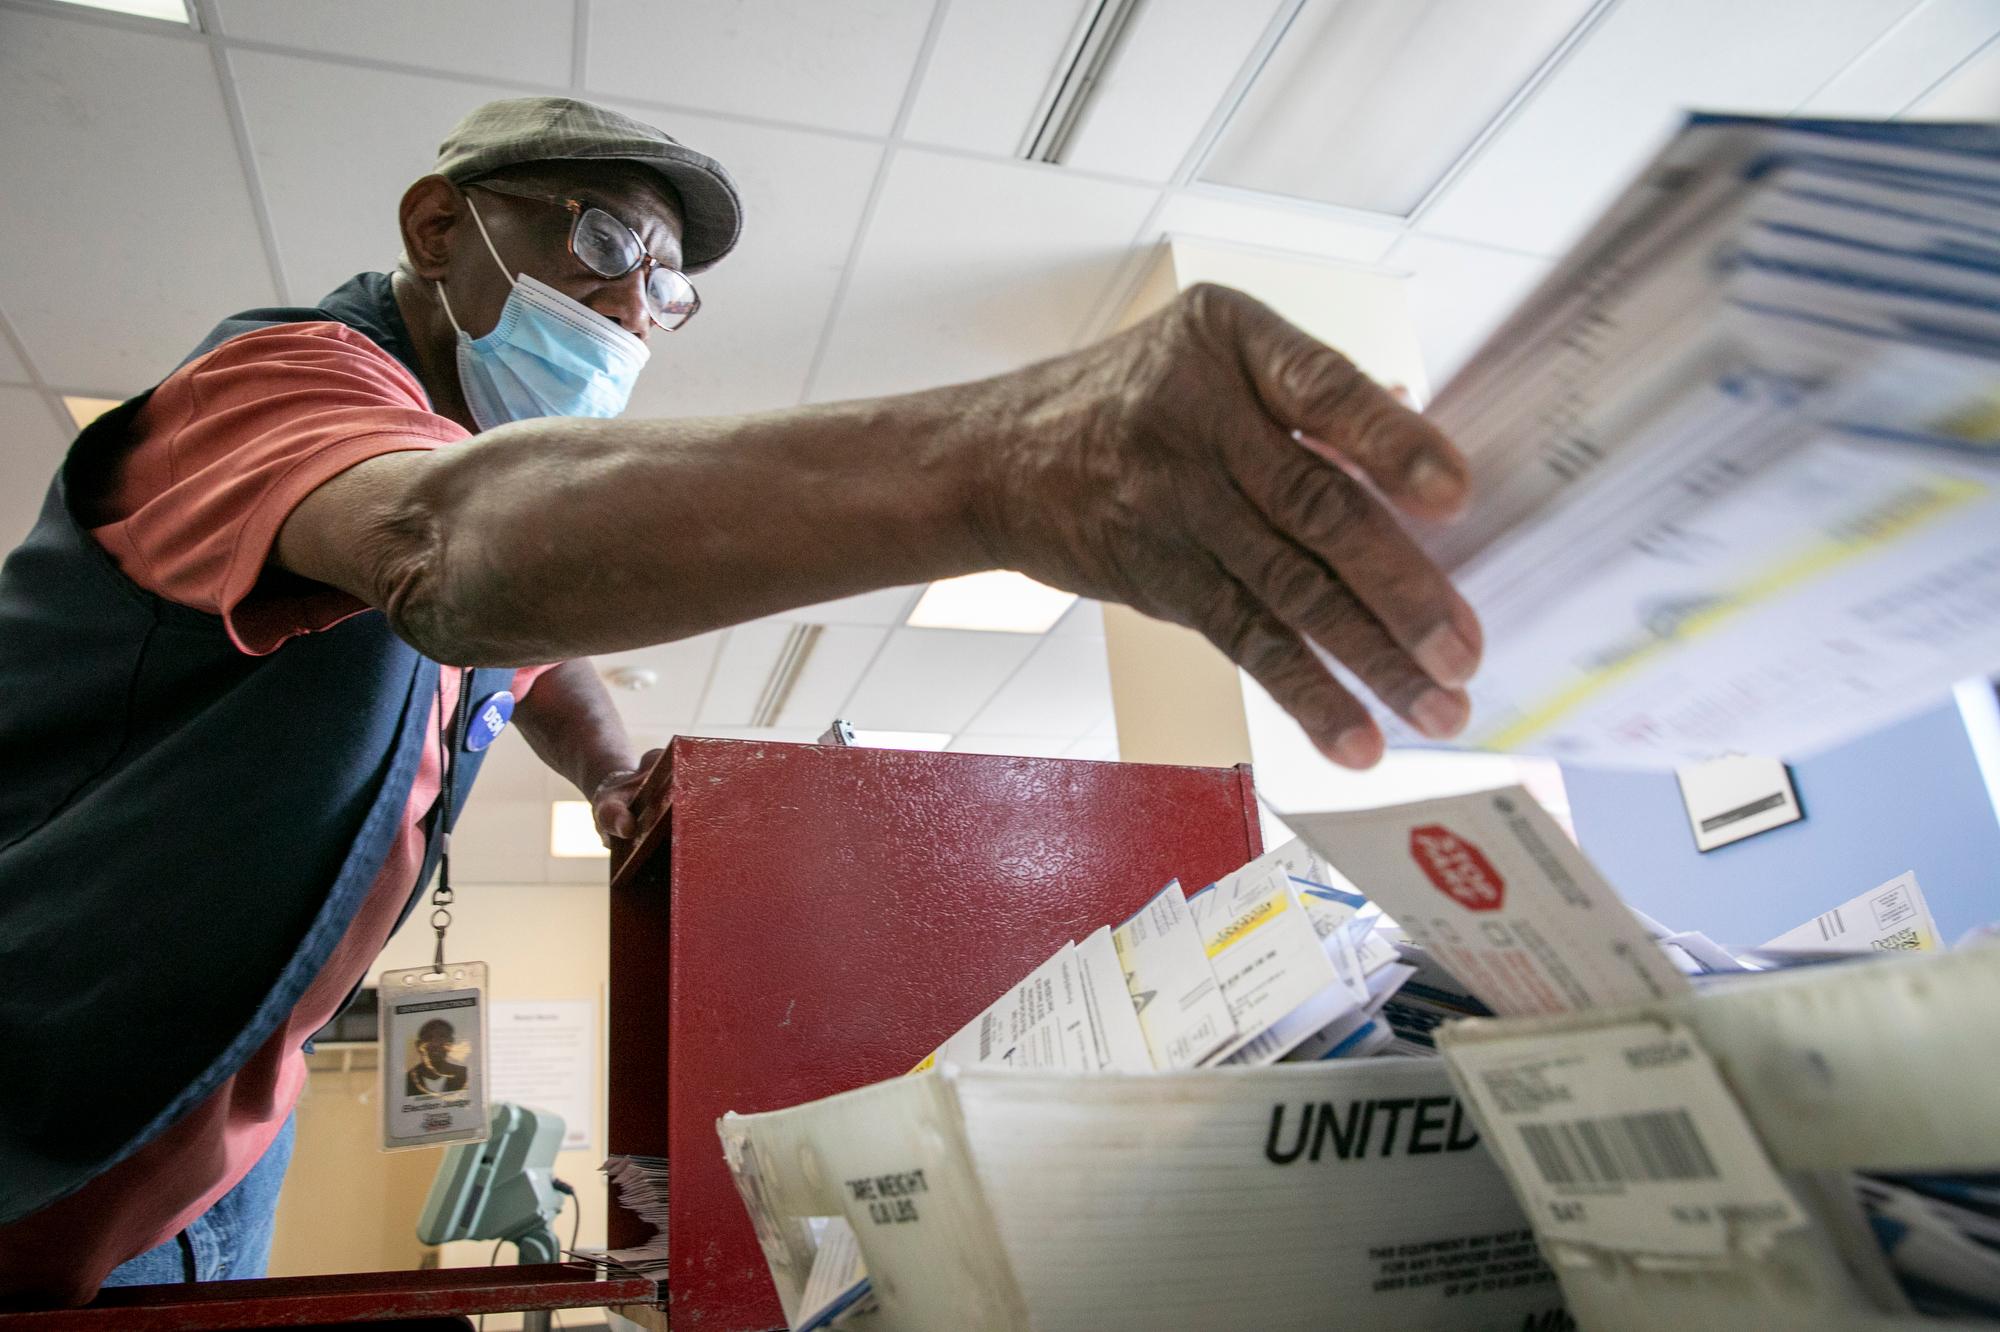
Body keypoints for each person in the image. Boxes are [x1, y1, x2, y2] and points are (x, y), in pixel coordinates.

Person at [0, 96, 1480, 1303]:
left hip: (198, 1139)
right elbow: (446, 550)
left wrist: (612, 766)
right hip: (39, 1117)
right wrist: (1003, 460)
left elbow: (524, 642)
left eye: (666, 286)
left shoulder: (459, 443)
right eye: (598, 243)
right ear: (437, 227)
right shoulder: (280, 391)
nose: (633, 309)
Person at [403, 1021, 470, 1098]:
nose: (435, 1043)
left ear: (451, 1043)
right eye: (429, 1038)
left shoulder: (464, 1074)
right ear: (418, 1045)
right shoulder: (407, 1080)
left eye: (442, 1037)